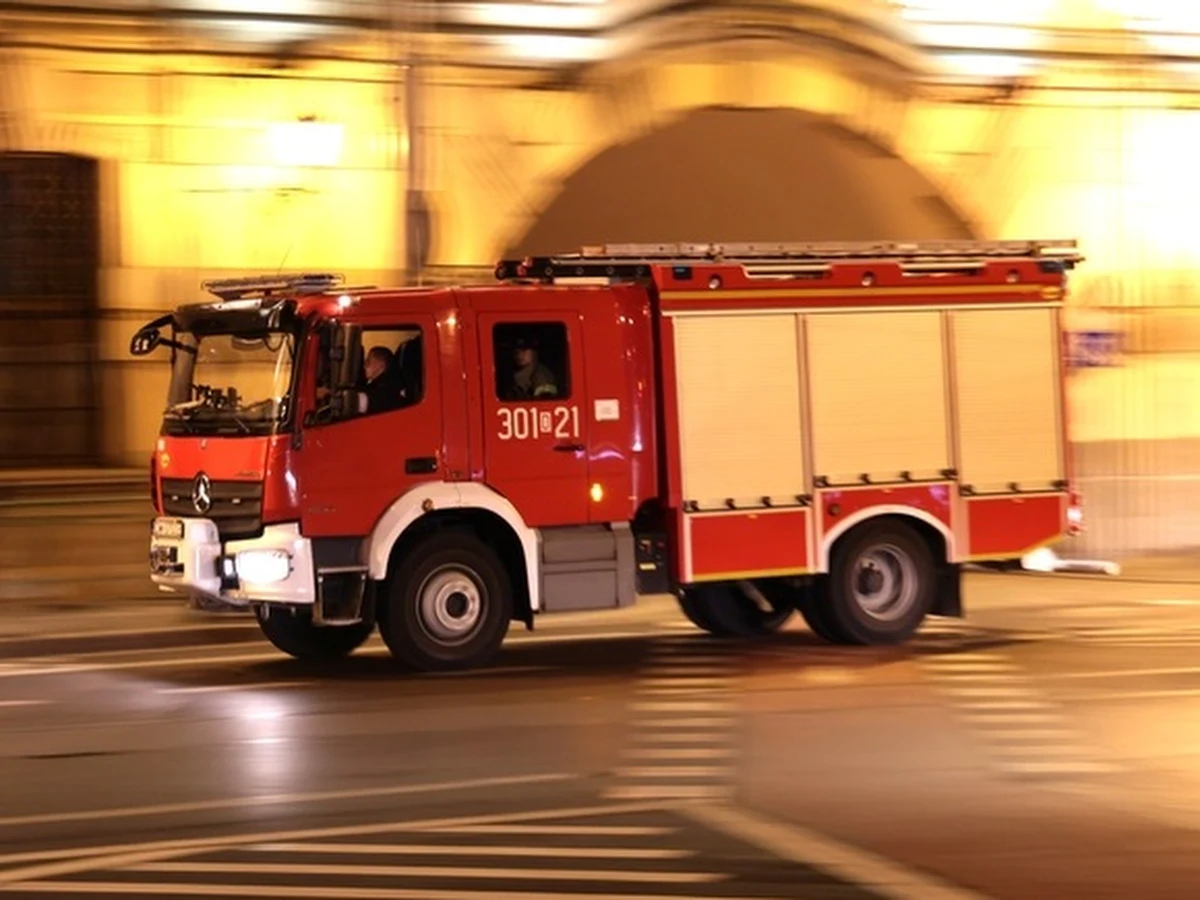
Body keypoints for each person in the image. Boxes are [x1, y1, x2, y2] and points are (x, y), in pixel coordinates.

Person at [357, 346, 406, 414]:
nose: (364, 366)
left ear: (381, 366)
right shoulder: (375, 385)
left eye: (368, 362)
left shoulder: (386, 391)